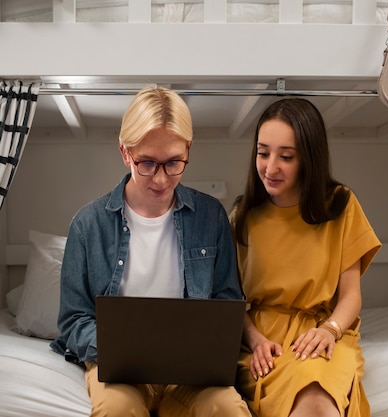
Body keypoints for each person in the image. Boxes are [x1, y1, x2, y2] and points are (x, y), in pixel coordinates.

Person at [50, 86, 252, 417]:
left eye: (174, 163)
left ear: (188, 148)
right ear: (125, 152)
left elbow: (227, 303)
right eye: (147, 163)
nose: (160, 179)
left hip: (191, 375)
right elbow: (73, 320)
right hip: (119, 373)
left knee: (228, 408)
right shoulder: (88, 225)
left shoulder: (210, 216)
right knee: (117, 411)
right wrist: (124, 350)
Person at [231, 98, 381, 417]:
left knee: (317, 401)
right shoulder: (243, 216)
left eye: (286, 156)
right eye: (262, 153)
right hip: (261, 342)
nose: (270, 168)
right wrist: (255, 340)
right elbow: (228, 301)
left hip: (322, 331)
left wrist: (330, 330)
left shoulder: (339, 205)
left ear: (309, 158)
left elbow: (351, 296)